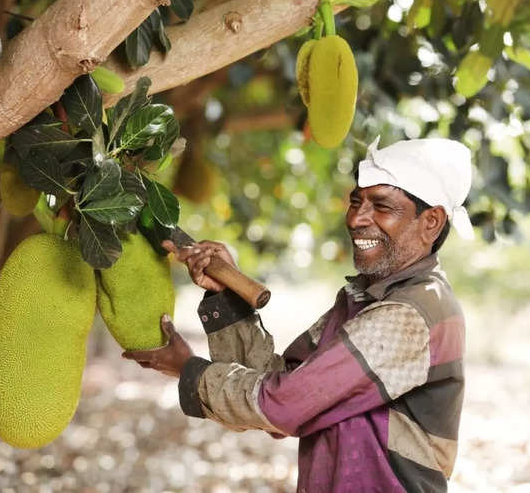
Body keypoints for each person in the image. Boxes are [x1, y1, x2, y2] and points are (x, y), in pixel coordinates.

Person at [123, 136, 474, 492]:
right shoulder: (365, 298)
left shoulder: (410, 315)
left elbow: (283, 405)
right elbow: (279, 380)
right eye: (355, 201)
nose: (356, 218)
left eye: (381, 206)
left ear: (431, 222)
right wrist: (227, 299)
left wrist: (189, 370)